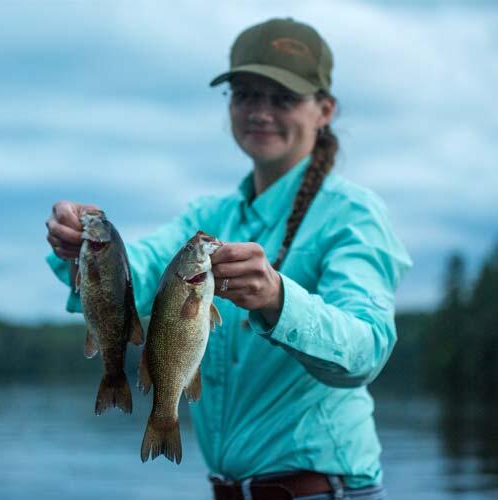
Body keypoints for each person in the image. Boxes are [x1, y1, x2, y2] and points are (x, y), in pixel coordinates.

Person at [45, 17, 411, 500]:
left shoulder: (353, 216)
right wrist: (85, 247)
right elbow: (141, 266)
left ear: (325, 109)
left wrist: (278, 298)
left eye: (282, 97)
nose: (261, 111)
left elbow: (367, 349)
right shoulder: (207, 215)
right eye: (245, 94)